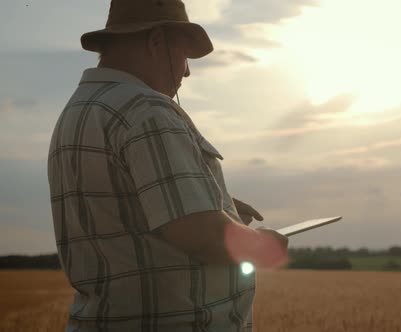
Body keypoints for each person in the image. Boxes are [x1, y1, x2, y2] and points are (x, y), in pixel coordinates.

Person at [46, 1, 289, 331]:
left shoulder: (77, 112)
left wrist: (218, 204)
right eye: (185, 53)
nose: (186, 71)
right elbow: (200, 235)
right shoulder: (146, 110)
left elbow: (126, 213)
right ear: (157, 41)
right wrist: (260, 245)